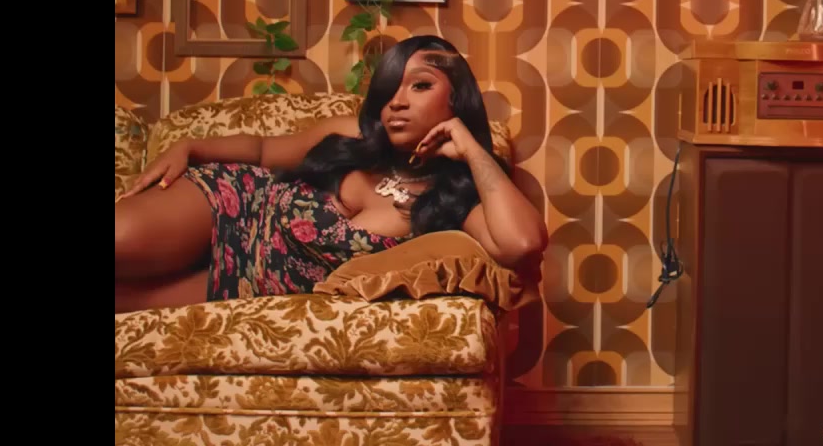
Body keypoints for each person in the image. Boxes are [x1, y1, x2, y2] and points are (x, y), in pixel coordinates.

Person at [114, 35, 548, 314]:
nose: (397, 101)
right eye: (389, 89)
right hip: (234, 205)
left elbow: (523, 243)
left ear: (457, 100)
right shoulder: (351, 133)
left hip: (249, 284)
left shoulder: (455, 201)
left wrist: (471, 149)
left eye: (420, 85)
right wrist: (191, 147)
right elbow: (264, 150)